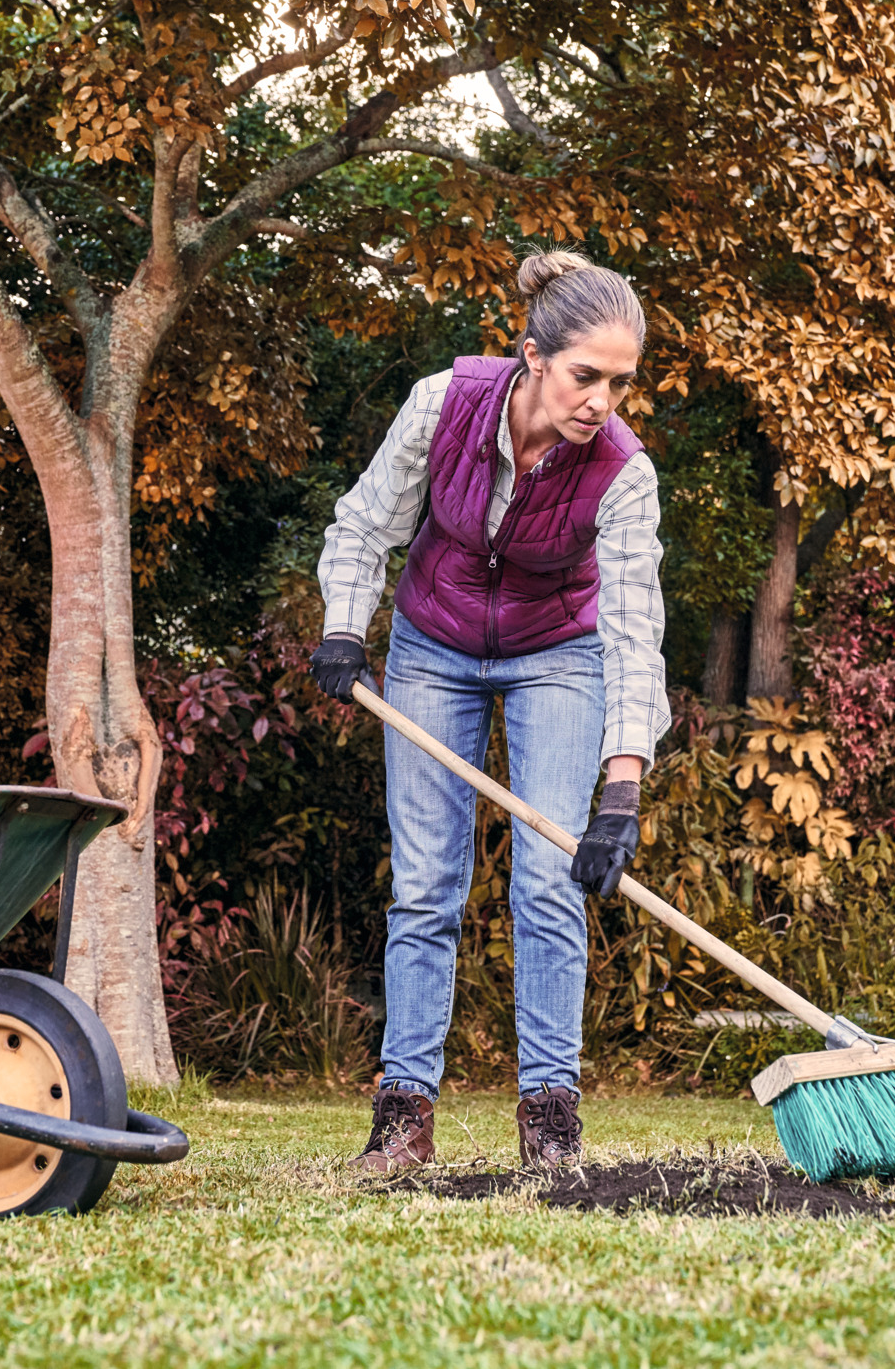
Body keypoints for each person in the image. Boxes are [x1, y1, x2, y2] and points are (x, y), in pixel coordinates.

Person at [310, 250, 670, 1171]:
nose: (601, 402)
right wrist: (347, 629)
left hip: (560, 656)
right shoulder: (445, 403)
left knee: (550, 881)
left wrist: (619, 793)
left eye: (619, 384)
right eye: (586, 376)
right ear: (533, 356)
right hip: (433, 646)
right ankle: (403, 1118)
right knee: (427, 883)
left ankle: (550, 1118)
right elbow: (363, 524)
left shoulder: (624, 475)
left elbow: (633, 636)